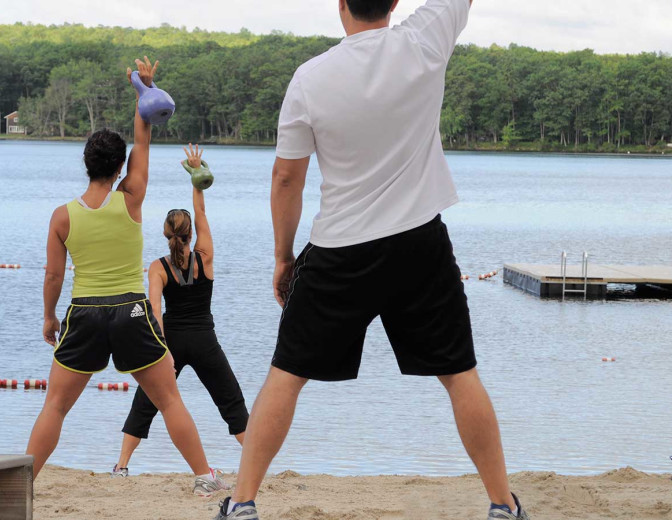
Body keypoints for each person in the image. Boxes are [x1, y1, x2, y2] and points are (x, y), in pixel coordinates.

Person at [213, 1, 530, 519]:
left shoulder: (310, 78)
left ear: (341, 4)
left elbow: (287, 178)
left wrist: (283, 256)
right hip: (419, 244)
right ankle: (501, 505)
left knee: (286, 375)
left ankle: (243, 503)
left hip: (340, 250)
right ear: (396, 1)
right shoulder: (425, 39)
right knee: (459, 373)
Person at [26, 57, 228, 497]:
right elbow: (143, 134)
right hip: (131, 312)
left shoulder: (63, 217)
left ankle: (23, 485)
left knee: (55, 406)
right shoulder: (131, 199)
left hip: (84, 313)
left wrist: (48, 317)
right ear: (120, 168)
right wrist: (144, 92)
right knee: (168, 398)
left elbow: (53, 277)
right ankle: (206, 478)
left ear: (86, 164)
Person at [112, 144, 249, 479]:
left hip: (170, 342)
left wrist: (161, 352)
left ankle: (122, 467)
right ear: (190, 234)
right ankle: (258, 462)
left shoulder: (157, 268)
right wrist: (196, 174)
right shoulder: (206, 257)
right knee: (231, 401)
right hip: (205, 341)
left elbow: (154, 314)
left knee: (146, 401)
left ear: (165, 234)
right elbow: (201, 215)